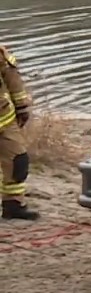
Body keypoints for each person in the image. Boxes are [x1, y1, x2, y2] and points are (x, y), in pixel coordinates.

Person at [0, 44, 38, 220]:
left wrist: (22, 108)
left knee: (18, 161)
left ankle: (13, 205)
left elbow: (12, 79)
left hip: (5, 120)